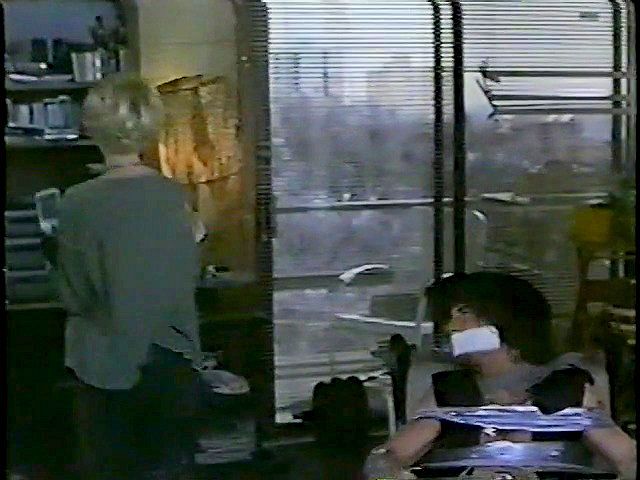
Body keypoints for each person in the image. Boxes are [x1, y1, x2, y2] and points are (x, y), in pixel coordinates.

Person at [55, 75, 204, 479]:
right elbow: (185, 274)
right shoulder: (176, 196)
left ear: (93, 127)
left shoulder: (77, 203)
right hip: (172, 359)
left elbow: (75, 294)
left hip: (107, 363)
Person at [363, 278, 636, 480]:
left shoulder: (567, 389)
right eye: (450, 317)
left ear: (503, 319)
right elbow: (390, 457)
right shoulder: (452, 391)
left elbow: (627, 457)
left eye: (464, 314)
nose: (450, 327)